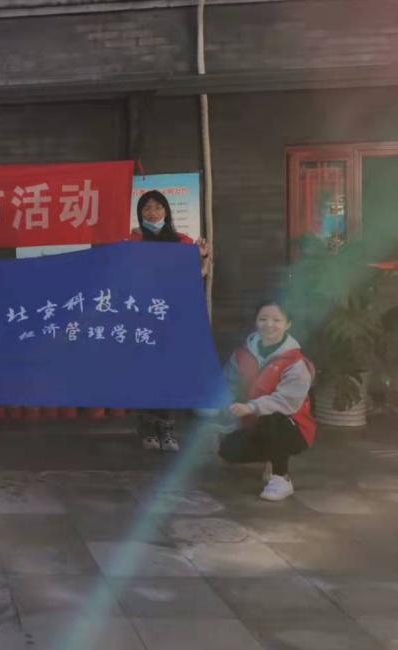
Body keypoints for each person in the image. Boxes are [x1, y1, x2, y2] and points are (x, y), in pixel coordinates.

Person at [128, 189, 211, 452]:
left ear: (166, 210)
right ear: (140, 213)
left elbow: (195, 277)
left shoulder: (182, 242)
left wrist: (202, 257)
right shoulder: (131, 242)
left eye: (157, 207)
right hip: (142, 318)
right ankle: (147, 428)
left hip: (172, 318)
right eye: (146, 208)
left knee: (169, 373)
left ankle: (167, 428)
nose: (152, 213)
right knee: (145, 373)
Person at [219, 301, 315, 501]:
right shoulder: (241, 354)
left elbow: (287, 402)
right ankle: (271, 456)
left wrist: (251, 407)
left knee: (273, 418)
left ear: (288, 324)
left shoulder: (295, 362)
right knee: (228, 450)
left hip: (292, 427)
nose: (269, 324)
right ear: (256, 322)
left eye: (276, 320)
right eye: (263, 319)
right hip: (253, 423)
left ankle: (281, 478)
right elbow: (229, 384)